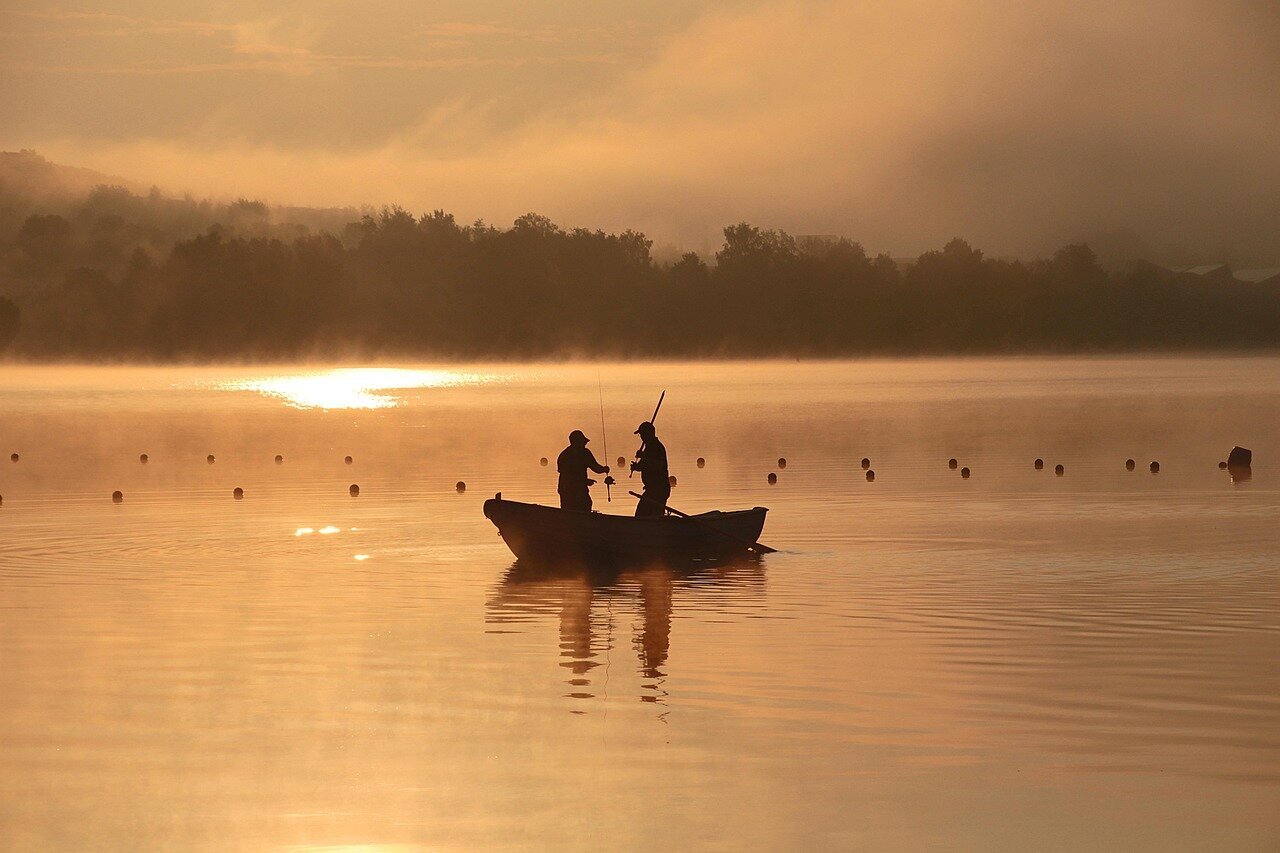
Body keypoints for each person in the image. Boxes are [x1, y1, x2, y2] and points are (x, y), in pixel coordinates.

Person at [557, 429, 610, 512]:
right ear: (576, 442)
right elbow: (568, 476)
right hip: (568, 490)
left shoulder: (567, 454)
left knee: (585, 505)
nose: (585, 444)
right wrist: (585, 481)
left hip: (575, 489)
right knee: (576, 508)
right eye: (583, 442)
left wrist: (604, 469)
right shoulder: (567, 456)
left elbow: (596, 468)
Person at [630, 421, 670, 518]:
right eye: (641, 435)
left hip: (659, 489)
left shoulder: (657, 447)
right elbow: (644, 466)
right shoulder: (649, 448)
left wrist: (643, 455)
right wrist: (636, 467)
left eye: (642, 434)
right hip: (651, 490)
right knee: (642, 515)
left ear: (649, 434)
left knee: (650, 516)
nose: (641, 437)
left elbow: (658, 466)